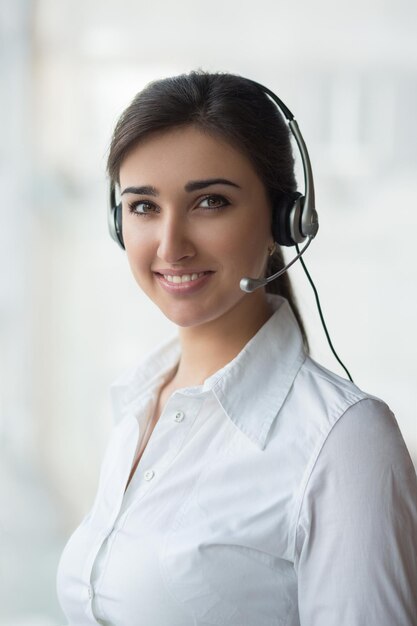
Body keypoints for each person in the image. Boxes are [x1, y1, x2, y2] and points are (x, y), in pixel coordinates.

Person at [56, 71, 417, 626]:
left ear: (283, 220)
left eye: (210, 202)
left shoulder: (344, 442)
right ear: (117, 221)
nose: (171, 246)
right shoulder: (137, 403)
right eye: (144, 207)